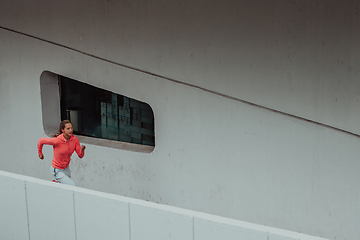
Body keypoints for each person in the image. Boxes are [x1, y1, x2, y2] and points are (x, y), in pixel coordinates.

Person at [37, 120, 86, 186]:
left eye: (71, 128)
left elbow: (80, 155)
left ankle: (56, 183)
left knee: (66, 186)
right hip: (57, 169)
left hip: (66, 168)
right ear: (63, 130)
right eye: (68, 128)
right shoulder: (57, 140)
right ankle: (56, 182)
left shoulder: (75, 139)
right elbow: (41, 141)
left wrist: (82, 150)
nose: (70, 130)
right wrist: (40, 153)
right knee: (73, 186)